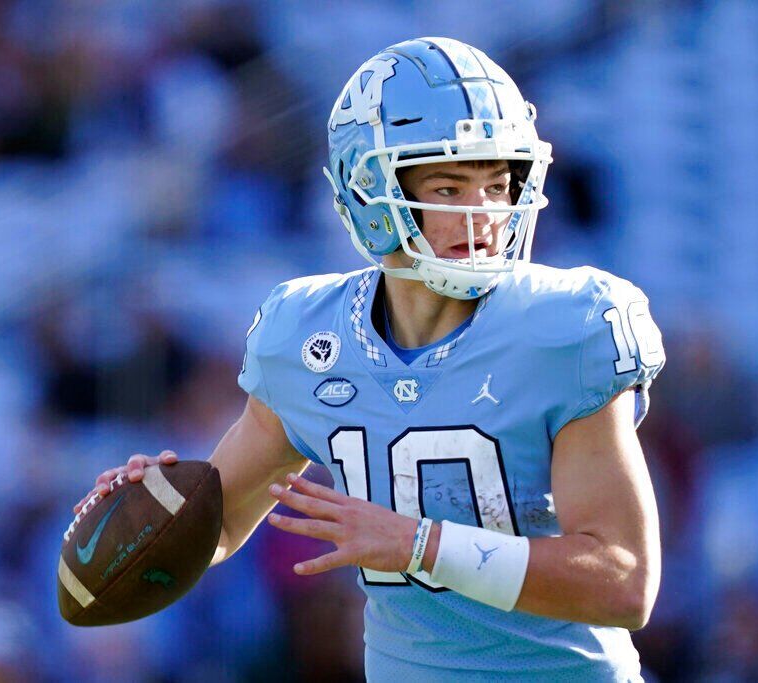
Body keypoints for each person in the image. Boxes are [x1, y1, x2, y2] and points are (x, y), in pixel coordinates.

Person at [74, 36, 666, 681]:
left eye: (498, 184)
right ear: (369, 189)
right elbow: (218, 528)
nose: (485, 214)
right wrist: (151, 511)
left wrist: (421, 545)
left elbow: (624, 580)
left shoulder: (564, 326)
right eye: (449, 185)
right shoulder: (307, 337)